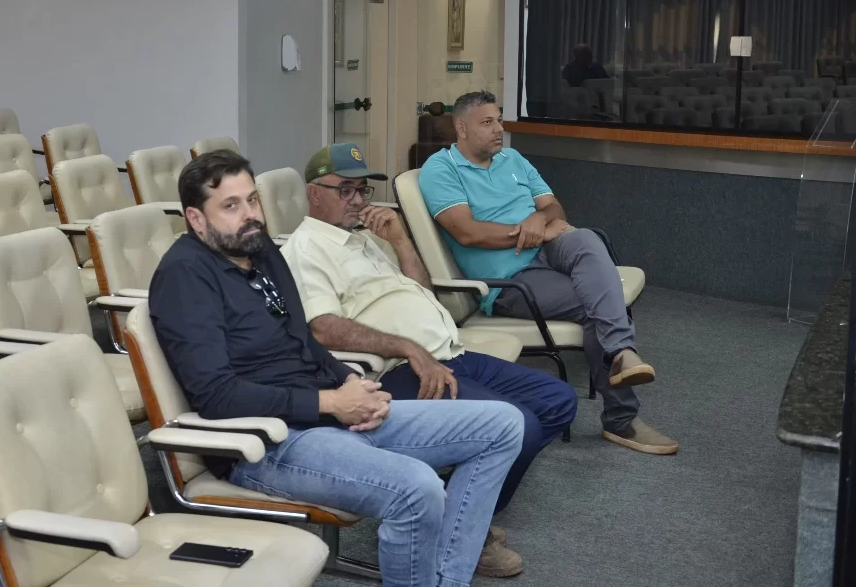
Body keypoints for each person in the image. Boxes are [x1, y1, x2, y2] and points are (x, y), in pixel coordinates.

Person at [150, 150, 525, 587]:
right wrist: (330, 402)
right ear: (196, 219)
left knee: (503, 425)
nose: (250, 214)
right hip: (266, 443)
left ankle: (445, 579)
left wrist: (352, 382)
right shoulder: (184, 277)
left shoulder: (259, 249)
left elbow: (303, 340)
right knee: (417, 488)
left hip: (326, 412)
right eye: (230, 206)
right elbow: (217, 396)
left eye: (252, 200)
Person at [281, 142, 576, 569]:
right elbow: (322, 327)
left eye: (362, 190)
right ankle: (460, 532)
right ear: (314, 193)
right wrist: (407, 347)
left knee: (558, 401)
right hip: (400, 370)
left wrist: (400, 241)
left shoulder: (363, 239)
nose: (357, 200)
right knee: (522, 425)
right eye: (345, 190)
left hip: (449, 351)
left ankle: (459, 510)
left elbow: (421, 291)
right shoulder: (306, 249)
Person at [419, 91, 677, 456]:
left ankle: (621, 351)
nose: (499, 129)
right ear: (461, 128)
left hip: (548, 250)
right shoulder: (440, 169)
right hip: (511, 279)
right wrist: (536, 230)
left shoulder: (512, 158)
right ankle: (621, 419)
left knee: (585, 238)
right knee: (597, 305)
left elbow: (554, 207)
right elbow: (468, 233)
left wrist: (540, 219)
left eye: (499, 120)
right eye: (487, 122)